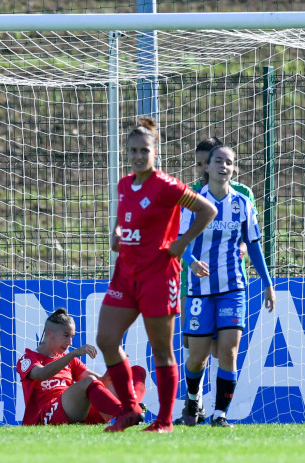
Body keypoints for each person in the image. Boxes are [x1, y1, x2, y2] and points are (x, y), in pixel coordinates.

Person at [96, 117, 217, 433]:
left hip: (159, 276)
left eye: (144, 150)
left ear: (155, 152)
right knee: (106, 339)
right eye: (133, 150)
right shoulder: (125, 184)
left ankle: (164, 421)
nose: (138, 156)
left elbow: (208, 210)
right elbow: (125, 220)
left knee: (161, 350)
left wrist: (181, 243)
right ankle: (130, 409)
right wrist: (117, 233)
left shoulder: (167, 185)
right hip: (126, 273)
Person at [178, 144, 276, 427]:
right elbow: (180, 240)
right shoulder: (193, 201)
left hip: (233, 287)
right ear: (206, 167)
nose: (224, 166)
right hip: (199, 289)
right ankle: (193, 397)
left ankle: (220, 414)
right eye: (218, 161)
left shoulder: (242, 203)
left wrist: (268, 284)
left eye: (229, 162)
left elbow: (254, 246)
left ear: (234, 168)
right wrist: (192, 262)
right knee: (196, 358)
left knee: (229, 351)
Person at [17, 308, 147, 426]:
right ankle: (125, 413)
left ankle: (132, 410)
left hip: (77, 413)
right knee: (89, 381)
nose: (70, 343)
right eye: (66, 336)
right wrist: (73, 354)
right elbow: (41, 374)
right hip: (45, 416)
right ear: (50, 333)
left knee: (135, 371)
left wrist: (115, 365)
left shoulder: (70, 361)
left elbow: (101, 382)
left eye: (72, 337)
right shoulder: (28, 358)